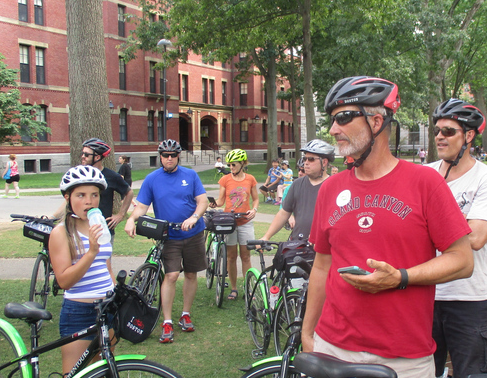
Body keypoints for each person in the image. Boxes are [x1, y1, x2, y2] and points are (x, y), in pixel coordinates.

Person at [302, 76, 473, 378]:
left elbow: (462, 259)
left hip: (403, 361)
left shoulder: (425, 183)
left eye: (343, 118)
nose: (334, 129)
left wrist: (400, 277)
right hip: (333, 348)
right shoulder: (330, 189)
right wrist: (309, 334)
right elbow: (322, 265)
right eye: (331, 120)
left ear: (376, 121)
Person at [428, 98, 487, 378]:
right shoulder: (425, 175)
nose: (439, 137)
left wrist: (427, 227)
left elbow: (476, 237)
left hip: (471, 298)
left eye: (448, 131)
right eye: (437, 131)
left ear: (469, 136)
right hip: (426, 294)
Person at [125, 139, 208, 342]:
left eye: (172, 155)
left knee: (190, 274)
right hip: (169, 235)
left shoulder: (190, 175)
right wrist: (131, 219)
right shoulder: (152, 179)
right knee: (170, 276)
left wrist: (194, 217)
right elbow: (142, 206)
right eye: (165, 155)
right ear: (160, 157)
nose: (169, 158)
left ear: (178, 156)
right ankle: (167, 321)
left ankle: (185, 315)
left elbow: (202, 201)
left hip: (193, 233)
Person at [49, 165, 115, 378]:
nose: (89, 201)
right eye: (81, 195)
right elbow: (64, 280)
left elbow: (106, 268)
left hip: (106, 310)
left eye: (94, 195)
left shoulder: (99, 226)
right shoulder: (61, 232)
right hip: (79, 312)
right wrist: (91, 252)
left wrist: (114, 294)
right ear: (68, 198)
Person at [54, 138, 133, 241]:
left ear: (97, 157)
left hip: (102, 232)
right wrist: (53, 217)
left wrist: (120, 215)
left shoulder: (111, 176)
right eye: (83, 154)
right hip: (79, 231)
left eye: (87, 155)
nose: (83, 157)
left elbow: (129, 192)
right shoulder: (80, 176)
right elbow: (68, 200)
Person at [257, 139, 334, 244]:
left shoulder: (334, 186)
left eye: (311, 159)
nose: (306, 163)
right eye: (305, 159)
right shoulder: (297, 184)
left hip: (324, 248)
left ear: (324, 162)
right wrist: (266, 237)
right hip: (298, 244)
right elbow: (283, 213)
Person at [210, 148, 259, 301]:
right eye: (229, 165)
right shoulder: (225, 180)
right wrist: (213, 204)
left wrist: (254, 209)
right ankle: (233, 288)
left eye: (234, 165)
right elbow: (220, 201)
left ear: (242, 163)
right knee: (231, 257)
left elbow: (255, 199)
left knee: (246, 256)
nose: (231, 168)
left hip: (245, 221)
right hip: (229, 222)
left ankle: (247, 287)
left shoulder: (250, 179)